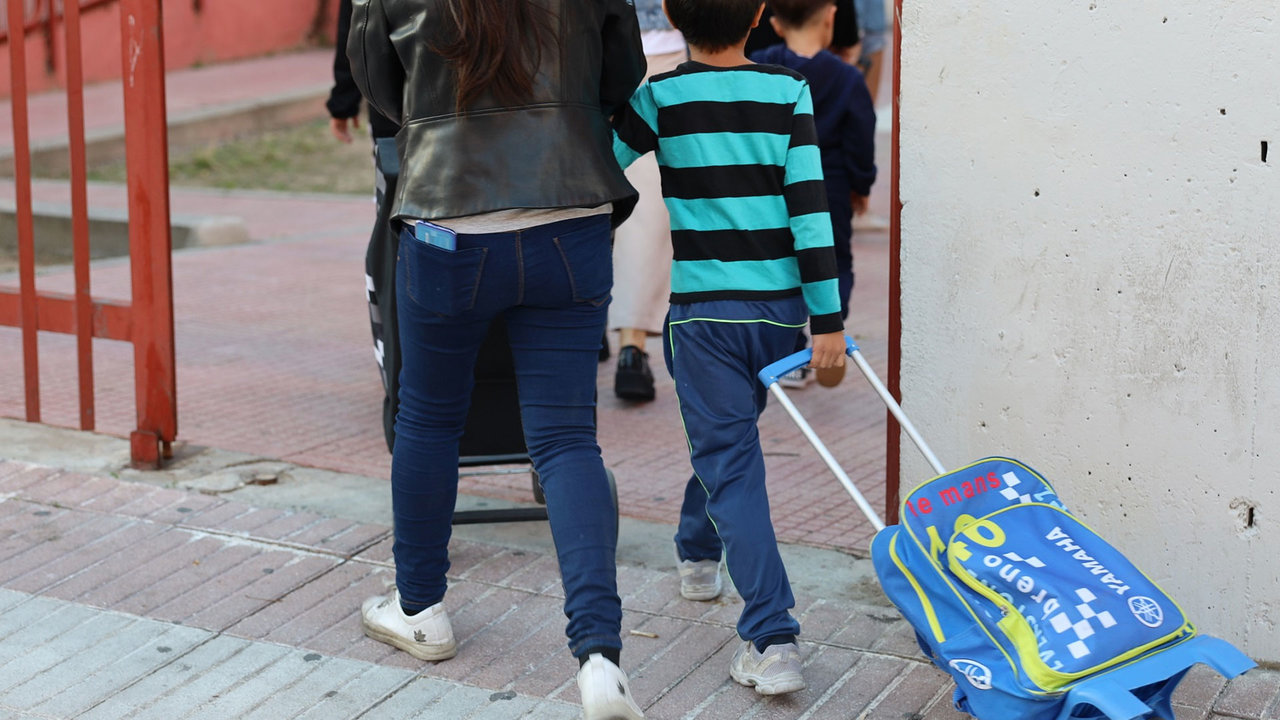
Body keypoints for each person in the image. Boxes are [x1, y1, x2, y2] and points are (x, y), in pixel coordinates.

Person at [347, 2, 648, 719]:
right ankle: (600, 658)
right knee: (568, 438)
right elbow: (624, 74)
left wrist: (438, 109)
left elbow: (378, 86)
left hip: (449, 219)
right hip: (570, 207)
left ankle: (420, 609)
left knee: (428, 418)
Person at [612, 0, 845, 696]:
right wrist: (826, 321)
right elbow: (811, 209)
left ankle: (772, 639)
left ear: (673, 20)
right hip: (777, 318)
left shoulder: (659, 96)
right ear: (759, 17)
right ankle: (697, 547)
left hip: (703, 319)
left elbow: (599, 165)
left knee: (730, 458)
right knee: (730, 444)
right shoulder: (788, 92)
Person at [751, 0, 877, 388]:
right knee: (836, 261)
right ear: (830, 17)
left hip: (772, 190)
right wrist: (862, 184)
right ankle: (829, 333)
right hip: (831, 190)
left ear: (773, 23)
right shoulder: (847, 78)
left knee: (781, 265)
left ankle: (792, 349)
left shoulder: (760, 67)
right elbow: (861, 140)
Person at [325, 0, 403, 452]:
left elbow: (356, 20)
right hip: (497, 111)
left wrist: (346, 95)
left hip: (397, 111)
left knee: (399, 242)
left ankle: (403, 368)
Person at [609, 0, 686, 403]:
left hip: (580, 44)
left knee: (584, 184)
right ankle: (631, 345)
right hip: (660, 46)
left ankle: (606, 329)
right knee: (646, 207)